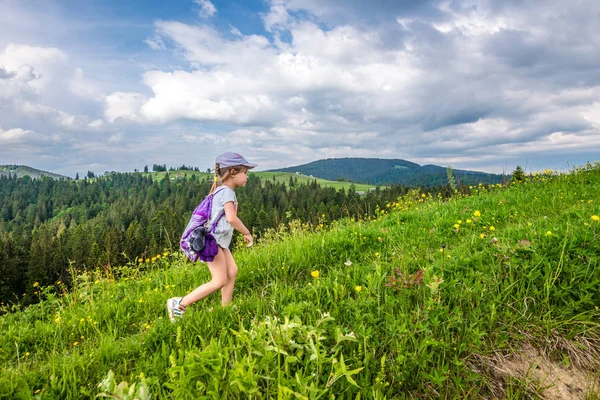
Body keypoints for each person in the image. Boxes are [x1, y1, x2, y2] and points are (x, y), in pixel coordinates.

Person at [166, 152, 256, 321]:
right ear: (233, 172)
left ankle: (225, 308)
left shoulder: (222, 191)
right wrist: (247, 233)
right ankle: (179, 304)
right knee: (219, 280)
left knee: (232, 271)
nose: (247, 177)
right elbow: (231, 218)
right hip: (213, 243)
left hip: (219, 242)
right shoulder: (227, 192)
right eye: (245, 172)